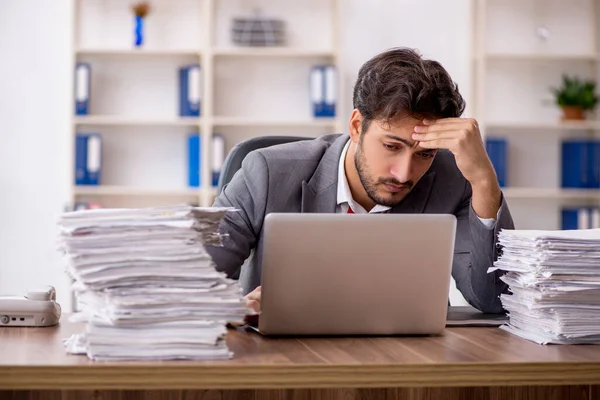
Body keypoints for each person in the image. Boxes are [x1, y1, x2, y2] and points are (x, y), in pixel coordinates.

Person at [206, 47, 514, 314]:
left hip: (407, 364)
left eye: (425, 153)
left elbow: (493, 300)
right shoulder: (266, 172)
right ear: (356, 126)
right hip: (285, 360)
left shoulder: (455, 181)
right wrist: (240, 306)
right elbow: (195, 283)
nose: (404, 174)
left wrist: (485, 182)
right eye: (392, 146)